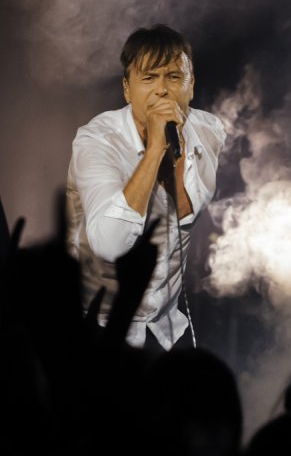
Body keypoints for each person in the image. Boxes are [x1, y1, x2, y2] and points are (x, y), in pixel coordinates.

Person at [66, 24, 226, 351]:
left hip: (168, 325)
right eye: (149, 78)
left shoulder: (209, 132)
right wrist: (154, 151)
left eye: (174, 77)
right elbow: (109, 245)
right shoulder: (97, 140)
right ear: (127, 89)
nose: (162, 91)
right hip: (101, 325)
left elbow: (186, 215)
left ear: (191, 85)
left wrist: (175, 154)